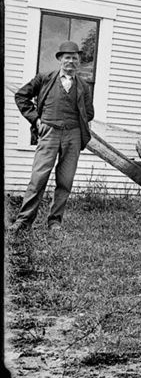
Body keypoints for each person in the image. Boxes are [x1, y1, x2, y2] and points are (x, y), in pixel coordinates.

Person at [10, 40, 96, 233]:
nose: (71, 62)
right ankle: (23, 221)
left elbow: (89, 112)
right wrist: (36, 119)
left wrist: (76, 124)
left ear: (79, 62)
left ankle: (55, 222)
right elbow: (21, 96)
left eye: (75, 58)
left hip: (73, 135)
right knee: (38, 177)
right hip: (48, 132)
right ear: (60, 60)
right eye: (67, 58)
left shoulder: (83, 86)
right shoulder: (45, 78)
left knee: (65, 180)